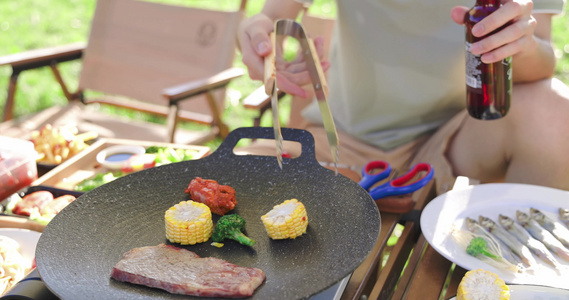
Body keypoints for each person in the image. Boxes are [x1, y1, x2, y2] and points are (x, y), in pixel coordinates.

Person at [237, 0, 569, 193]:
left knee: (556, 113)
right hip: (340, 137)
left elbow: (542, 58)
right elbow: (273, 16)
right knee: (237, 180)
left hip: (457, 139)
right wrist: (261, 39)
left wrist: (518, 45)